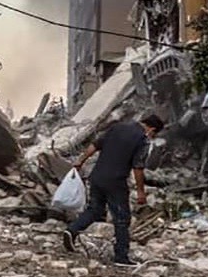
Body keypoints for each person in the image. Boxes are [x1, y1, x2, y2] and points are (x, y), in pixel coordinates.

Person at [63, 113, 164, 267]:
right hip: (116, 182)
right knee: (122, 218)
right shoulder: (142, 139)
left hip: (97, 176)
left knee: (95, 210)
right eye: (154, 134)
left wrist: (80, 161)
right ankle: (121, 257)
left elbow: (94, 146)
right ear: (151, 129)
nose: (152, 137)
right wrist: (141, 192)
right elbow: (138, 168)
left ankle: (72, 230)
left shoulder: (117, 127)